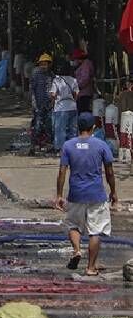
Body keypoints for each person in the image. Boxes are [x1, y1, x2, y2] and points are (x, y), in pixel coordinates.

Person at [55, 112, 117, 276]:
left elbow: (62, 172)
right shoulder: (101, 145)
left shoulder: (68, 146)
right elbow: (109, 172)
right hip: (96, 194)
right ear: (93, 128)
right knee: (95, 231)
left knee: (73, 225)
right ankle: (90, 268)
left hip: (76, 193)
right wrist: (114, 192)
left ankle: (77, 250)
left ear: (78, 127)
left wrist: (59, 195)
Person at [49, 62, 80, 152]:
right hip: (73, 107)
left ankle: (60, 148)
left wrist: (53, 102)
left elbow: (53, 94)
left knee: (60, 130)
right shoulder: (73, 80)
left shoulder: (56, 80)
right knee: (73, 129)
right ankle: (72, 148)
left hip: (61, 108)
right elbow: (76, 94)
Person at [30, 53, 55, 150]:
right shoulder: (35, 74)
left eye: (46, 64)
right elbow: (32, 89)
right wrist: (34, 104)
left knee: (49, 125)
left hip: (48, 105)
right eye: (42, 64)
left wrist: (52, 103)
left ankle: (48, 144)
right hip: (38, 104)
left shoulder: (51, 75)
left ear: (49, 64)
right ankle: (34, 145)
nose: (44, 66)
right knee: (37, 125)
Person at [72, 49, 95, 114]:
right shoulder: (83, 65)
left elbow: (85, 78)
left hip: (84, 93)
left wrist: (77, 86)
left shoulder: (86, 65)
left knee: (83, 112)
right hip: (81, 93)